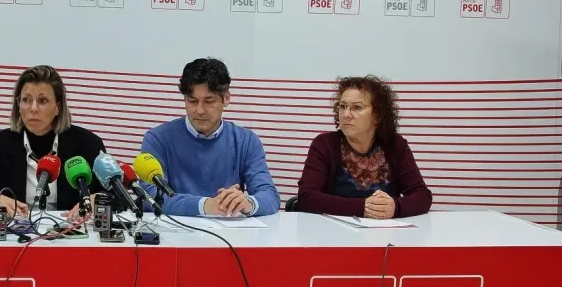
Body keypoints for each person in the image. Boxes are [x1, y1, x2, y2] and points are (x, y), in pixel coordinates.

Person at [0, 65, 107, 216]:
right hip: (14, 234)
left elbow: (117, 198)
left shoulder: (88, 145)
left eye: (42, 101)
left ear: (58, 107)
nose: (33, 108)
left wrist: (99, 200)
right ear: (18, 105)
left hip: (71, 233)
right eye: (26, 100)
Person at [139, 58, 280, 217]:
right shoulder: (158, 139)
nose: (200, 110)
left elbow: (269, 195)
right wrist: (205, 205)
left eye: (209, 101)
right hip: (173, 229)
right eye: (192, 101)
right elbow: (149, 196)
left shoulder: (246, 141)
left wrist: (248, 203)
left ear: (226, 98)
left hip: (230, 230)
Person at [296, 75, 432, 218]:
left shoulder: (395, 144)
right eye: (342, 106)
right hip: (333, 229)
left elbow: (422, 196)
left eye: (357, 107)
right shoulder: (324, 144)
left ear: (378, 115)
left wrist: (396, 207)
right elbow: (307, 197)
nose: (346, 114)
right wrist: (362, 207)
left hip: (386, 230)